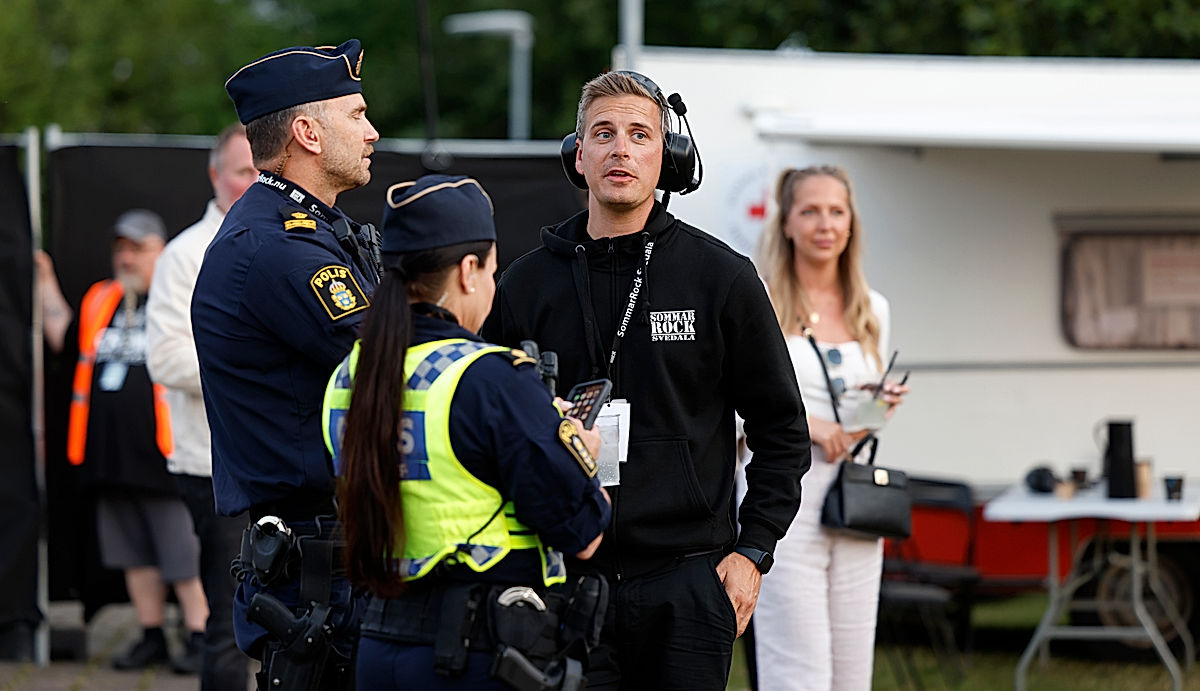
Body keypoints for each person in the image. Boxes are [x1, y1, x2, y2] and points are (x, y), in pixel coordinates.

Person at [481, 70, 810, 690]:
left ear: (669, 156)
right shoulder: (525, 284)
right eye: (602, 135)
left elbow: (782, 429)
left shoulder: (722, 278)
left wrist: (753, 552)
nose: (620, 150)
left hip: (690, 582)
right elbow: (491, 429)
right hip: (562, 580)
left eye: (639, 134)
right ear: (578, 156)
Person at [323, 174, 612, 689]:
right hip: (476, 654)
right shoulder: (491, 377)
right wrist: (581, 453)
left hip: (378, 644)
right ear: (468, 270)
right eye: (493, 271)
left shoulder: (351, 374)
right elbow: (583, 533)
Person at [190, 39, 380, 690]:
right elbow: (395, 362)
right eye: (355, 115)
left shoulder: (302, 228)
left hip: (327, 548)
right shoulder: (278, 247)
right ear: (306, 132)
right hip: (319, 561)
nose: (371, 131)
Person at [750, 165, 910, 691]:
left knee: (851, 662)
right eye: (810, 211)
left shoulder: (873, 309)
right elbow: (732, 403)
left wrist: (875, 411)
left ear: (851, 224)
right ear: (788, 223)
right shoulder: (761, 301)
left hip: (854, 490)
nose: (825, 224)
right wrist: (813, 426)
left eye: (836, 211)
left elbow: (864, 411)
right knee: (797, 663)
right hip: (784, 488)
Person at [65, 209, 209, 672]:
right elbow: (67, 343)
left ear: (161, 252)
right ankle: (150, 635)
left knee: (181, 553)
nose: (126, 258)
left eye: (138, 248)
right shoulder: (100, 300)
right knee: (132, 554)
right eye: (120, 249)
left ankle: (201, 635)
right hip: (107, 455)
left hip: (163, 454)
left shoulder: (177, 296)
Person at [146, 123, 256, 689]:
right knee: (230, 626)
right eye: (242, 171)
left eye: (262, 169)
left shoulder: (283, 242)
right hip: (212, 468)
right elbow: (164, 359)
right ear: (216, 175)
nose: (254, 181)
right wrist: (254, 368)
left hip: (277, 464)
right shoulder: (184, 255)